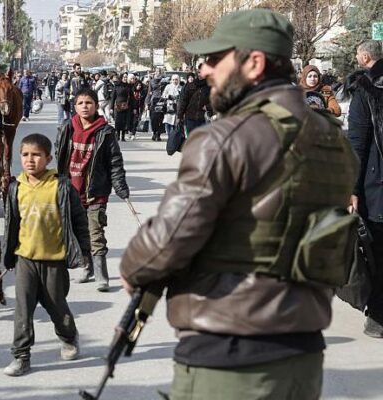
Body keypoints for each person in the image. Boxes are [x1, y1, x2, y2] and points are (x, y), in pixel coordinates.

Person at [120, 10, 359, 399]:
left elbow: (163, 245)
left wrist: (134, 266)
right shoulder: (332, 139)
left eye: (216, 58)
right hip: (303, 354)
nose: (204, 69)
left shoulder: (226, 138)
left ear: (254, 63)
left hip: (228, 357)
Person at [1, 133, 92, 377]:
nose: (30, 160)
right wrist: (7, 256)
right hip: (25, 259)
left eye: (37, 155)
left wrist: (85, 252)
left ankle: (68, 337)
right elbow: (11, 225)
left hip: (54, 259)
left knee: (57, 306)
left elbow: (79, 220)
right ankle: (21, 356)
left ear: (48, 158)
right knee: (23, 309)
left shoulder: (61, 186)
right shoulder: (15, 187)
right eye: (25, 155)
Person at [56, 88, 130, 292]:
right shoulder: (66, 128)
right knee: (80, 233)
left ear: (97, 105)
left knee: (95, 233)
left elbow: (115, 162)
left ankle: (101, 275)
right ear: (75, 106)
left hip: (96, 191)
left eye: (89, 103)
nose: (85, 106)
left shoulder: (105, 132)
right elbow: (58, 154)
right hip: (71, 191)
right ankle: (86, 267)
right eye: (80, 103)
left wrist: (121, 187)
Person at [347, 39, 383, 338]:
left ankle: (379, 315)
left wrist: (352, 188)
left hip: (376, 184)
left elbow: (357, 143)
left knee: (377, 251)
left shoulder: (365, 89)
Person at [176, 64, 212, 134]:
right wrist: (179, 116)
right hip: (190, 118)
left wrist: (208, 107)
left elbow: (216, 101)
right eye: (199, 72)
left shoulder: (210, 86)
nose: (200, 73)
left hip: (204, 118)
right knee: (191, 139)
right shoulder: (190, 86)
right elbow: (183, 101)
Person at [111, 73, 132, 141]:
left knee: (124, 121)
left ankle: (123, 136)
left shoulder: (128, 86)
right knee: (118, 121)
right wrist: (111, 108)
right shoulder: (117, 86)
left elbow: (131, 97)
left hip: (126, 105)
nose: (125, 78)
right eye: (124, 77)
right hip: (118, 105)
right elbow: (113, 97)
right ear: (121, 78)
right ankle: (117, 135)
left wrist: (133, 106)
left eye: (126, 77)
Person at [161, 75, 182, 139]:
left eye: (176, 79)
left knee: (175, 124)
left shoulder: (181, 87)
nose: (175, 81)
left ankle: (173, 138)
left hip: (177, 107)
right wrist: (169, 96)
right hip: (169, 107)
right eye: (173, 79)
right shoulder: (168, 86)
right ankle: (169, 136)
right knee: (167, 122)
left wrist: (178, 98)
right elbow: (163, 95)